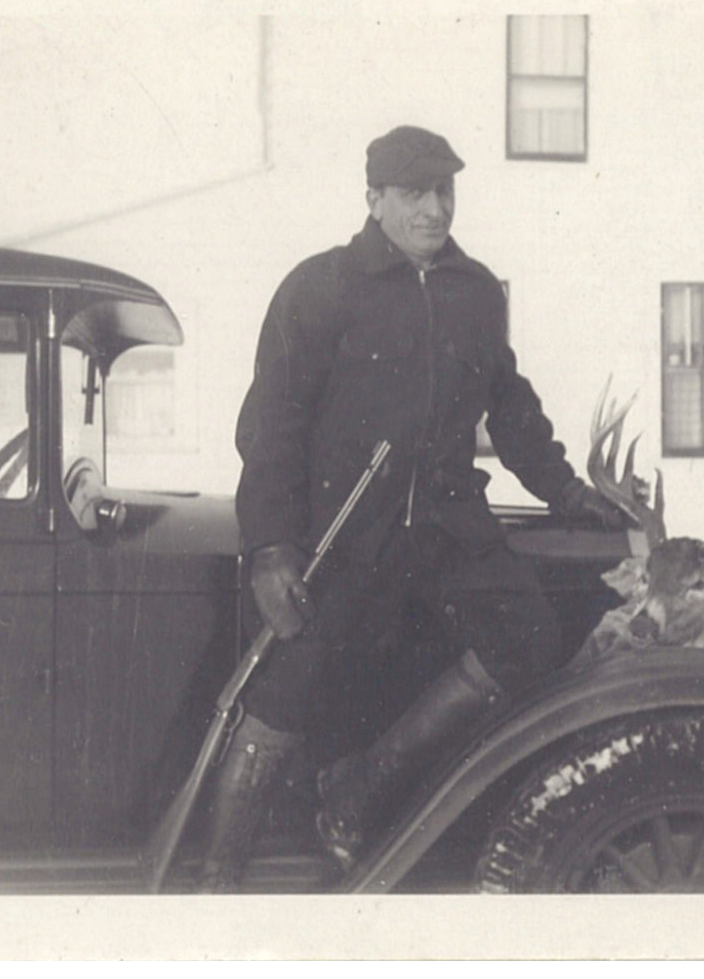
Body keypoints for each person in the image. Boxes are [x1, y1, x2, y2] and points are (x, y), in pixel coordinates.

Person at [200, 125, 625, 890]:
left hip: (448, 527)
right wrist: (270, 548)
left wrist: (564, 490)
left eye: (444, 192)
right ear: (374, 200)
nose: (434, 208)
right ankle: (216, 878)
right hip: (345, 533)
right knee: (284, 685)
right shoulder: (319, 288)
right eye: (414, 193)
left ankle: (358, 790)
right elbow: (270, 430)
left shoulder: (473, 292)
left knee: (528, 634)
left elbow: (512, 408)